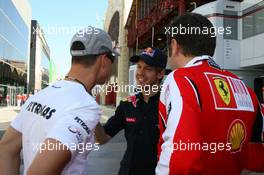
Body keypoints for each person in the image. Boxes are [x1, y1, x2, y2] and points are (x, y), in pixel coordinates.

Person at [0, 26, 118, 175]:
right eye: (113, 59)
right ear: (104, 60)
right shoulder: (84, 105)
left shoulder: (41, 95)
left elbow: (7, 148)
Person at [156, 13, 264, 175]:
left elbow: (181, 158)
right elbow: (256, 157)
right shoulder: (245, 88)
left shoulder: (180, 79)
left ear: (174, 45)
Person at [95, 47, 167, 175]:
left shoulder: (168, 105)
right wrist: (93, 117)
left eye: (148, 69)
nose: (140, 73)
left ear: (160, 73)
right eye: (139, 67)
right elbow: (103, 138)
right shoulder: (127, 105)